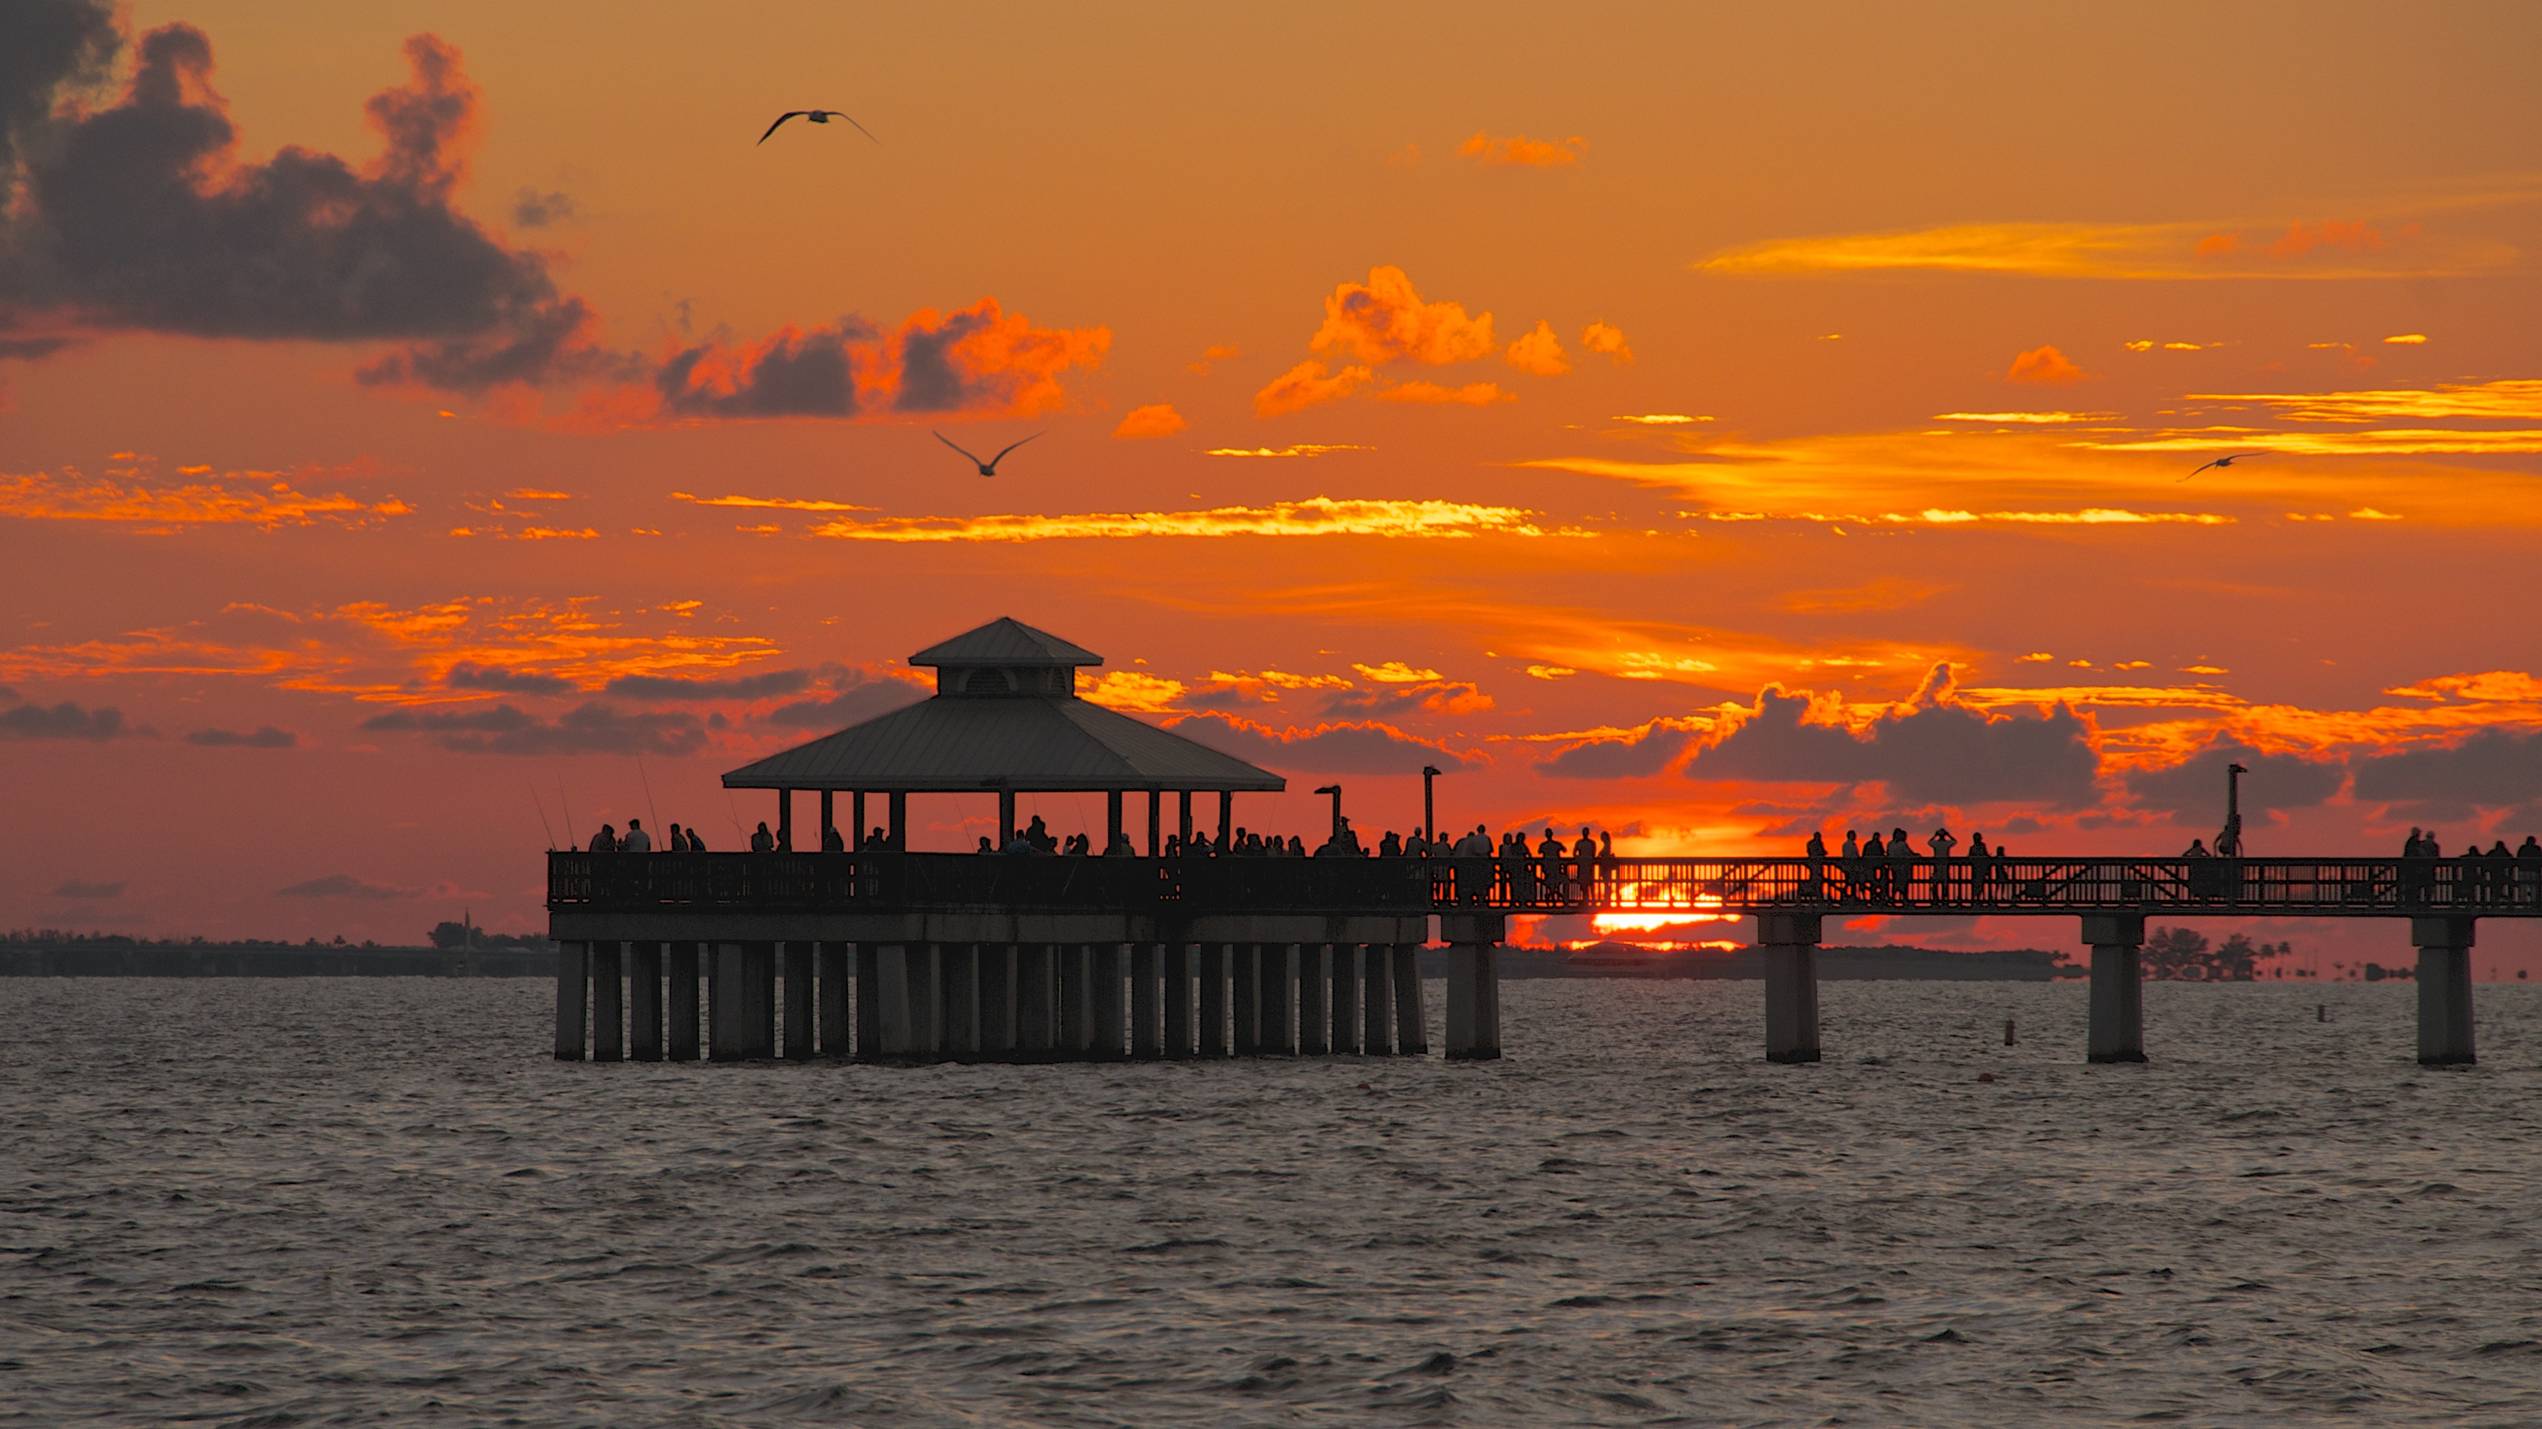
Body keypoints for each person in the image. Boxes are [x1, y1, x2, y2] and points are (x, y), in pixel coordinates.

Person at [1927, 825, 1955, 903]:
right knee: (1944, 882)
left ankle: (1937, 898)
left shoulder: (1936, 843)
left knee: (1937, 881)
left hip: (1938, 864)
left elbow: (1929, 842)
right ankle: (1943, 898)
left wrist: (1934, 836)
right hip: (1944, 864)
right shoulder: (1947, 843)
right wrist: (1949, 835)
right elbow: (1954, 841)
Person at [1860, 830, 1886, 902]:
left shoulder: (1871, 844)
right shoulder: (1871, 844)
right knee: (1873, 881)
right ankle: (1875, 896)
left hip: (1875, 867)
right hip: (1871, 866)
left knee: (1875, 882)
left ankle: (1876, 896)